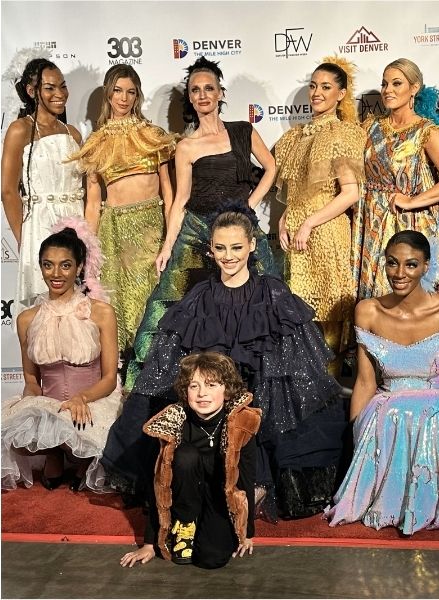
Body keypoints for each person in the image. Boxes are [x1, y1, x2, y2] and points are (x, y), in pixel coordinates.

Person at [103, 210, 344, 524]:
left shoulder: (272, 293)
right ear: (210, 249)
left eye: (236, 248)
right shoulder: (199, 297)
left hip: (261, 398)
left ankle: (247, 496)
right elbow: (179, 362)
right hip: (210, 400)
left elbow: (291, 365)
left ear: (252, 246)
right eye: (220, 248)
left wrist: (253, 394)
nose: (228, 256)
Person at [326, 230, 439, 534]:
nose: (399, 273)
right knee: (389, 413)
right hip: (385, 416)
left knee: (432, 412)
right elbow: (365, 383)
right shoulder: (368, 311)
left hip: (436, 418)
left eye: (410, 265)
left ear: (426, 266)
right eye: (392, 264)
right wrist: (355, 446)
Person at [125, 56, 279, 391]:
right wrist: (167, 247)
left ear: (221, 93)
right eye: (196, 90)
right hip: (196, 234)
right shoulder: (186, 146)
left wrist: (248, 206)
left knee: (260, 303)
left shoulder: (242, 131)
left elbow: (271, 168)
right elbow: (180, 201)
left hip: (239, 232)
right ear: (191, 99)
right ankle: (164, 389)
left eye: (209, 88)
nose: (203, 94)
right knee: (172, 307)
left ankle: (254, 386)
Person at [352, 57, 439, 349]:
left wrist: (412, 200)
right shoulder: (369, 127)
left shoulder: (426, 130)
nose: (387, 90)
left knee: (418, 299)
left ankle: (428, 375)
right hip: (374, 227)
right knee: (379, 301)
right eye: (385, 83)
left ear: (414, 88)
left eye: (396, 83)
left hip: (413, 224)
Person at [1, 223, 121, 492]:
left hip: (92, 402)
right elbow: (32, 380)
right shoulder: (26, 319)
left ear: (79, 267)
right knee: (14, 432)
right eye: (48, 265)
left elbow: (110, 378)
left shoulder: (102, 312)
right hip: (52, 406)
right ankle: (56, 452)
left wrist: (82, 398)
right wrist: (29, 407)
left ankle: (79, 454)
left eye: (65, 265)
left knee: (96, 440)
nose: (56, 274)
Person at [66, 63, 176, 354]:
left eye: (131, 92)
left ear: (137, 95)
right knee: (121, 306)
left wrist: (171, 237)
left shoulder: (152, 135)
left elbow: (168, 189)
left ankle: (153, 372)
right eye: (118, 91)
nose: (124, 98)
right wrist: (88, 250)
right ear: (108, 94)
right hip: (113, 231)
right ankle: (125, 378)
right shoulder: (96, 142)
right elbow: (92, 202)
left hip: (151, 227)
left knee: (152, 301)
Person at [119, 352, 260, 570]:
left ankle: (206, 528)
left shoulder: (240, 423)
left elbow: (247, 476)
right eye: (194, 386)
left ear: (226, 389)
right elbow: (157, 483)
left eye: (211, 385)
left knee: (211, 559)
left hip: (218, 498)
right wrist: (149, 543)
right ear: (186, 390)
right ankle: (185, 523)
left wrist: (247, 532)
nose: (202, 393)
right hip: (183, 501)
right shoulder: (172, 425)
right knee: (186, 454)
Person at [274, 57, 366, 369]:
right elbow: (296, 191)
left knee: (327, 312)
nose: (317, 93)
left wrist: (310, 223)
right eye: (313, 86)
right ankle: (304, 390)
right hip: (298, 233)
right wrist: (286, 218)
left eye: (325, 87)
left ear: (341, 94)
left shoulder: (342, 133)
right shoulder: (293, 137)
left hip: (326, 231)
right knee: (297, 312)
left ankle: (328, 388)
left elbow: (350, 192)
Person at [1, 58, 85, 312]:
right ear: (31, 91)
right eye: (50, 88)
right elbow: (8, 191)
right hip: (40, 226)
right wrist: (24, 239)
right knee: (42, 310)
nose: (59, 94)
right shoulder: (20, 130)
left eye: (63, 86)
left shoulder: (74, 133)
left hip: (75, 223)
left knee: (77, 309)